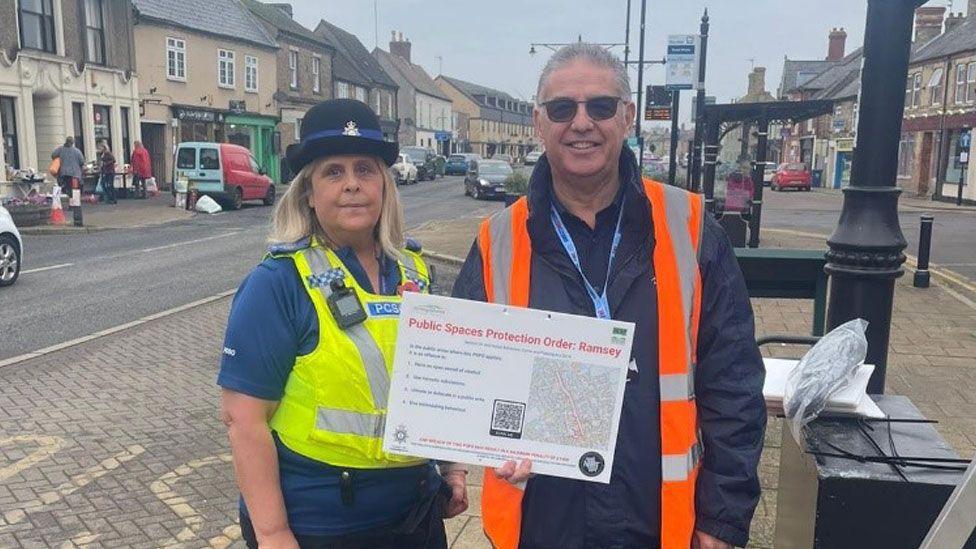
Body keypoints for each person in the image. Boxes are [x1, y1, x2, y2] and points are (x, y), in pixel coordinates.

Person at [452, 43, 766, 549]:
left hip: (660, 523)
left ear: (627, 116)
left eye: (599, 106)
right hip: (539, 526)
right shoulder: (498, 241)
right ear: (538, 122)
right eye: (562, 109)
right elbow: (464, 379)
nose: (581, 123)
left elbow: (733, 386)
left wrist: (722, 519)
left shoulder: (690, 229)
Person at [218, 99, 468, 549]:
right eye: (333, 172)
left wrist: (451, 469)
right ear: (309, 193)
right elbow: (243, 419)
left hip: (415, 517)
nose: (352, 185)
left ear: (385, 186)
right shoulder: (278, 282)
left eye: (365, 170)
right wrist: (273, 534)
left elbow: (438, 385)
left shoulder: (414, 273)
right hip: (321, 526)